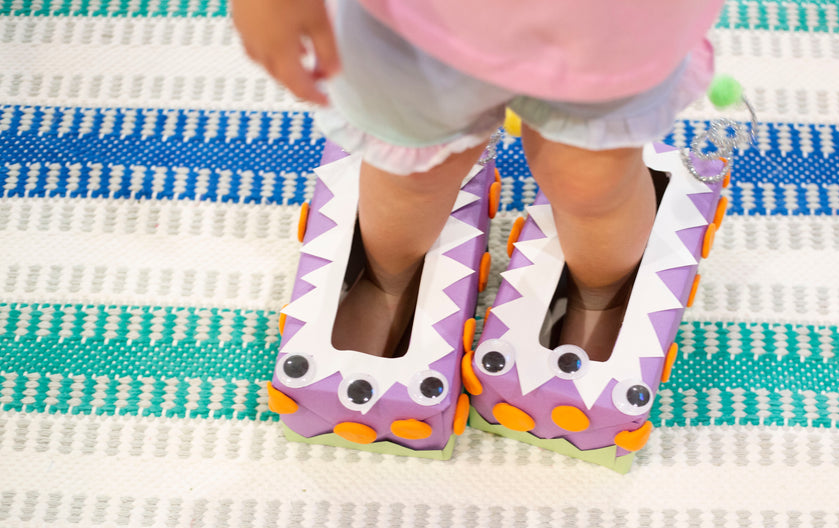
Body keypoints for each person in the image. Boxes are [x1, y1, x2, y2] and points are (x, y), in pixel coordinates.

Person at [232, 0, 724, 362]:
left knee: (593, 184)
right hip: (414, 27)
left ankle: (601, 294)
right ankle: (388, 280)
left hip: (612, 31)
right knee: (412, 172)